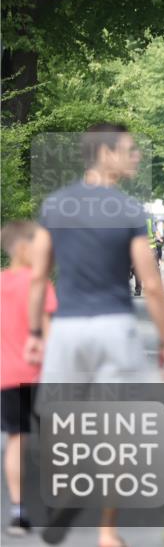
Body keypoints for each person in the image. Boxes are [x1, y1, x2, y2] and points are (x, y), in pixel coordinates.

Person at [28, 123, 164, 547]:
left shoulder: (55, 206)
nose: (137, 157)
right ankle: (107, 533)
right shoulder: (128, 211)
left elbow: (39, 278)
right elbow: (150, 283)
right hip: (114, 327)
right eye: (129, 151)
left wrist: (37, 332)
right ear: (106, 154)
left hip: (68, 329)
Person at [1, 222, 57, 537]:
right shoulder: (39, 284)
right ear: (23, 249)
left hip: (6, 375)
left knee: (15, 439)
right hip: (39, 373)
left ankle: (18, 512)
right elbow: (48, 332)